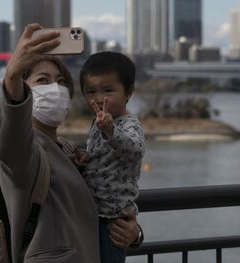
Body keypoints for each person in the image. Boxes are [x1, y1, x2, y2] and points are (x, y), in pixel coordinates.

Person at [0, 23, 142, 263]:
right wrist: (12, 77)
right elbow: (9, 141)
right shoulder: (24, 152)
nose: (55, 88)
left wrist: (133, 233)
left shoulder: (67, 151)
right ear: (24, 88)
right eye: (43, 80)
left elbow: (101, 201)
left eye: (61, 81)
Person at [72, 51, 145, 262]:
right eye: (90, 91)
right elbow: (99, 155)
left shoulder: (128, 124)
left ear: (128, 93)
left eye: (108, 90)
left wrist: (111, 132)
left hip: (112, 220)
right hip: (92, 214)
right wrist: (84, 157)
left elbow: (135, 149)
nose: (97, 98)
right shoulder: (97, 123)